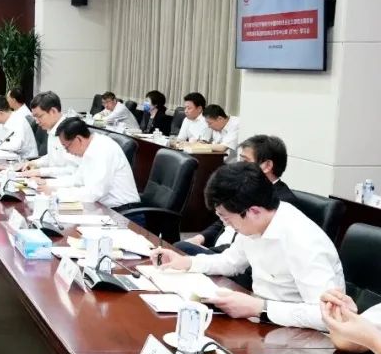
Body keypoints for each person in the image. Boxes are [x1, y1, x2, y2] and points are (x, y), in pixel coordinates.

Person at [150, 162, 344, 331]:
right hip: (261, 323)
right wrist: (186, 262)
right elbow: (231, 262)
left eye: (226, 218)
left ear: (253, 211)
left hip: (301, 337)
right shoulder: (254, 225)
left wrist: (260, 307)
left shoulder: (303, 240)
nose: (225, 224)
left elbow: (327, 316)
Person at [176, 135, 298, 256]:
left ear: (267, 166)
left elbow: (249, 247)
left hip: (234, 257)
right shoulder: (248, 186)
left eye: (245, 161)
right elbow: (223, 221)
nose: (239, 166)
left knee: (180, 249)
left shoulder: (281, 202)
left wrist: (211, 253)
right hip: (223, 252)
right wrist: (200, 238)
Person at [53, 117, 140, 210]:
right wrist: (50, 185)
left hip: (123, 211)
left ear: (78, 139)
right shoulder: (90, 148)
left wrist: (59, 193)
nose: (67, 151)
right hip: (103, 207)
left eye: (67, 147)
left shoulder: (102, 149)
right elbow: (77, 179)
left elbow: (94, 193)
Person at [21, 91, 80, 178]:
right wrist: (34, 163)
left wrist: (40, 172)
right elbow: (52, 158)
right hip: (52, 180)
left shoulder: (71, 131)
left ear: (53, 111)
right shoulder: (51, 129)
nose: (37, 122)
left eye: (39, 116)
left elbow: (72, 170)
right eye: (35, 117)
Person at [0, 96, 38, 161]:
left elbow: (14, 146)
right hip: (13, 156)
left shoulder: (18, 121)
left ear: (1, 113)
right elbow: (0, 138)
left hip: (26, 160)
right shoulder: (6, 120)